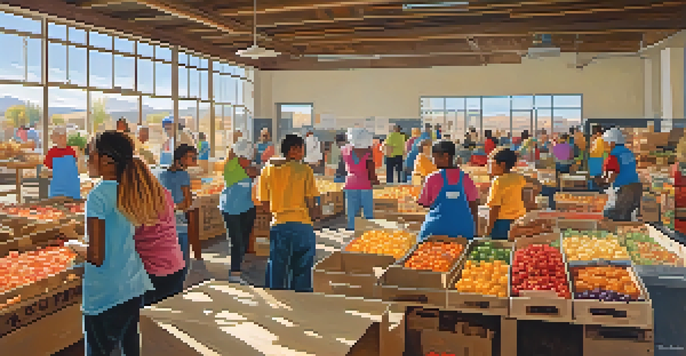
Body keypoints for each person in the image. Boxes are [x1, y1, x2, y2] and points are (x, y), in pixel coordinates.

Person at [68, 131, 153, 355]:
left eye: (90, 154)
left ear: (106, 160)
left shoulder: (97, 196)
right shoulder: (130, 189)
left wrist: (73, 246)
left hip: (106, 294)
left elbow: (96, 256)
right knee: (130, 347)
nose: (86, 159)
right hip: (132, 285)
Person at [116, 139, 186, 306]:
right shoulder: (164, 194)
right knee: (169, 321)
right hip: (175, 265)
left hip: (150, 272)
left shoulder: (128, 202)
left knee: (148, 323)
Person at [259, 134, 321, 292]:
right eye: (302, 149)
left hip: (279, 225)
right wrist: (315, 215)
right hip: (302, 226)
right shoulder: (305, 170)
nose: (303, 152)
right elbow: (311, 201)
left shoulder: (267, 170)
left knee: (277, 267)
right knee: (302, 269)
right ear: (294, 150)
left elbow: (265, 204)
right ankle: (300, 302)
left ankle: (277, 301)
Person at [417, 141, 478, 242]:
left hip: (436, 230)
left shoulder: (432, 179)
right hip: (463, 231)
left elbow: (424, 203)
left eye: (435, 157)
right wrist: (474, 231)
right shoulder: (466, 178)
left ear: (446, 156)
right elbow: (474, 206)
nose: (433, 161)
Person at [220, 138, 258, 284]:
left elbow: (254, 170)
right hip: (231, 210)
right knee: (236, 242)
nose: (248, 160)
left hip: (247, 208)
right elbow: (232, 155)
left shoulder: (250, 167)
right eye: (245, 158)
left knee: (243, 240)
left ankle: (239, 266)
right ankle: (234, 273)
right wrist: (237, 145)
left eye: (249, 158)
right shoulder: (231, 166)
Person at [158, 144, 198, 271]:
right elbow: (187, 202)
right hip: (179, 222)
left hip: (163, 222)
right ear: (181, 158)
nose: (194, 160)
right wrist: (177, 206)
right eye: (191, 157)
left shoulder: (162, 174)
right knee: (182, 263)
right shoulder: (183, 175)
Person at [486, 148, 542, 239]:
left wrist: (488, 230)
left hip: (502, 223)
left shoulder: (498, 181)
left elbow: (494, 209)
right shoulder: (518, 178)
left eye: (493, 164)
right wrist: (530, 201)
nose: (491, 167)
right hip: (519, 220)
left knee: (502, 247)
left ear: (502, 165)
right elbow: (536, 183)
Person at [594, 128, 642, 221]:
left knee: (616, 217)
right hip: (637, 188)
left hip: (624, 190)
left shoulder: (613, 155)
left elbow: (612, 175)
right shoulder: (629, 152)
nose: (604, 146)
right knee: (628, 216)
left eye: (605, 143)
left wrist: (602, 181)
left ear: (612, 142)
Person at [342, 128, 378, 231]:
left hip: (350, 183)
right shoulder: (367, 152)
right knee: (367, 212)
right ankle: (368, 232)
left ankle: (352, 232)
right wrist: (375, 181)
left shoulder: (345, 150)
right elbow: (371, 169)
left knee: (351, 212)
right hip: (365, 183)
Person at [44, 126, 80, 200]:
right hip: (57, 190)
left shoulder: (71, 151)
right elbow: (47, 169)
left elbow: (76, 168)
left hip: (72, 190)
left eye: (64, 136)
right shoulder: (51, 152)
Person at [589, 125, 607, 190]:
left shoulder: (599, 140)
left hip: (597, 165)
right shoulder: (603, 140)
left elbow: (595, 152)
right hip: (600, 165)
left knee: (597, 185)